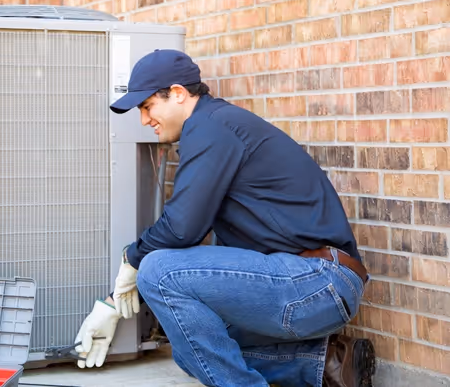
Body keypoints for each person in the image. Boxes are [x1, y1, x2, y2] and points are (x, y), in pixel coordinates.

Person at [72, 49, 376, 387]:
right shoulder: (212, 128)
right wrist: (116, 301)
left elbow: (181, 229)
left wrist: (131, 261)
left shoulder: (211, 128)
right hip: (304, 284)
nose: (144, 120)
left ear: (177, 93)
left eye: (147, 107)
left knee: (157, 269)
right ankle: (325, 365)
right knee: (191, 350)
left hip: (318, 281)